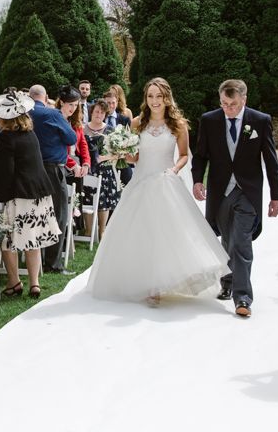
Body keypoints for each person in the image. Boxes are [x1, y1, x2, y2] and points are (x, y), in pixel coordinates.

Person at [86, 78, 230, 305]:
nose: (154, 101)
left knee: (167, 234)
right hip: (141, 181)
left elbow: (184, 154)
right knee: (142, 233)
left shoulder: (178, 124)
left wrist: (174, 169)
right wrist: (122, 153)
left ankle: (163, 282)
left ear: (166, 98)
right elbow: (135, 157)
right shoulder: (136, 123)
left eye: (159, 96)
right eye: (150, 96)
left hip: (165, 181)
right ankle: (148, 284)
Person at [192, 79, 278, 318]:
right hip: (220, 190)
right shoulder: (210, 120)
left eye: (233, 104)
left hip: (248, 192)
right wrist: (197, 180)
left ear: (244, 100)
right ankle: (228, 280)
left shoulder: (260, 121)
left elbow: (271, 161)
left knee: (241, 242)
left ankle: (242, 297)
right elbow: (200, 155)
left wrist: (276, 196)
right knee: (227, 239)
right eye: (223, 103)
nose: (228, 109)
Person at [0, 91, 60, 299]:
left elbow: (6, 172)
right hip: (40, 193)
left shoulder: (6, 137)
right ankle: (35, 284)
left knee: (8, 240)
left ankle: (14, 282)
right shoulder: (30, 134)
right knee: (32, 241)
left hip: (19, 195)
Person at [28, 84, 77, 273]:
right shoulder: (53, 114)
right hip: (52, 170)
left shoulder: (24, 112)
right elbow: (72, 138)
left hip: (31, 169)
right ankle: (53, 263)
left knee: (35, 214)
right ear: (46, 96)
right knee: (59, 214)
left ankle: (36, 259)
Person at [82, 100, 120, 240]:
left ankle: (102, 230)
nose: (99, 114)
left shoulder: (110, 130)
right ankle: (88, 230)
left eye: (102, 112)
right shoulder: (83, 128)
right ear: (92, 112)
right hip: (88, 169)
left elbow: (119, 153)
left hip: (105, 169)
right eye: (97, 111)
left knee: (104, 201)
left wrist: (103, 158)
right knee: (87, 197)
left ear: (105, 114)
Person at [54, 85, 91, 181]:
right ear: (62, 102)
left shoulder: (75, 122)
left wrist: (86, 163)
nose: (73, 108)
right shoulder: (54, 120)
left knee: (79, 193)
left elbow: (83, 144)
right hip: (59, 164)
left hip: (76, 162)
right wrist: (73, 165)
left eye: (76, 105)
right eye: (71, 104)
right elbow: (56, 148)